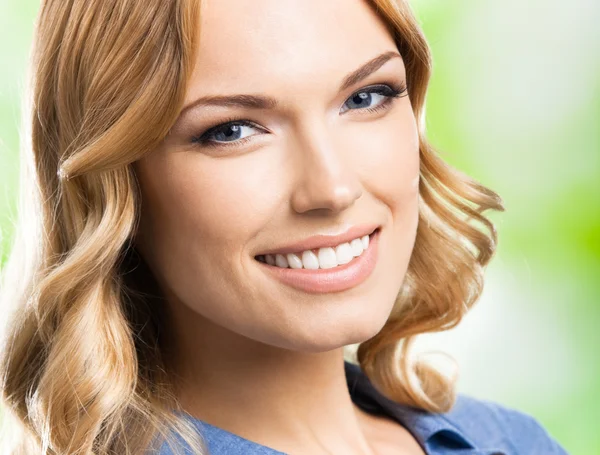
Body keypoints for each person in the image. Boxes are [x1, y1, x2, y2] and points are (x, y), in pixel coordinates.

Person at [0, 0, 569, 454]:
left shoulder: (513, 442)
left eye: (366, 97)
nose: (332, 188)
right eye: (232, 131)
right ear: (116, 185)